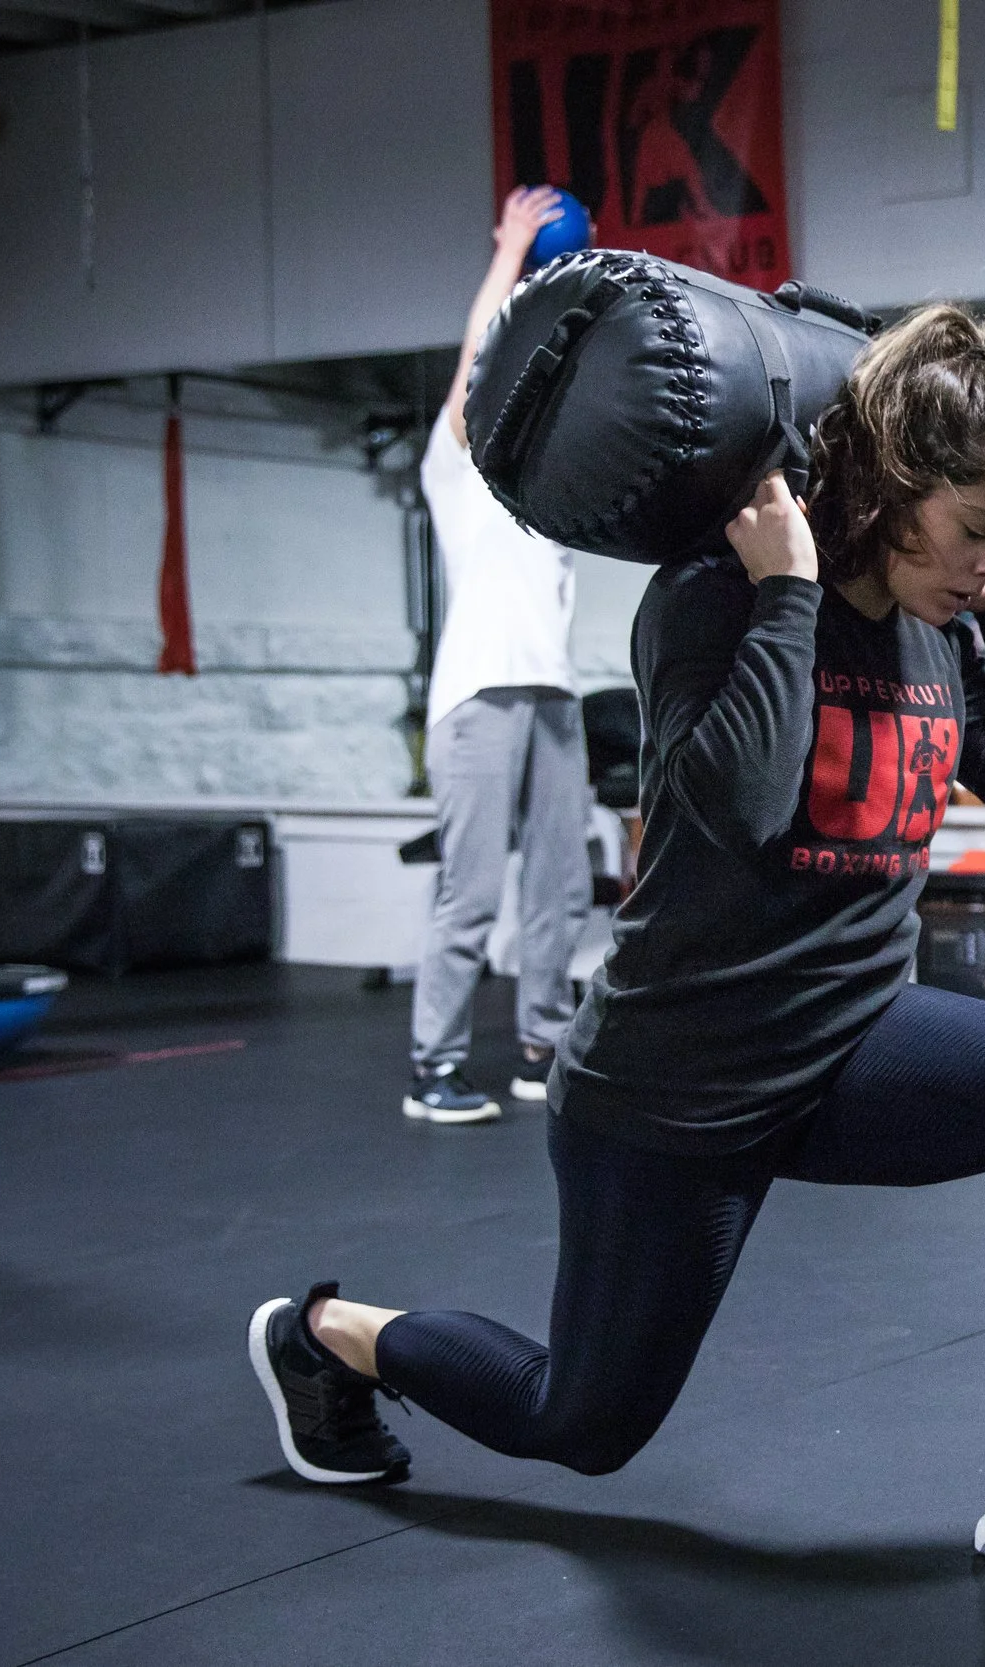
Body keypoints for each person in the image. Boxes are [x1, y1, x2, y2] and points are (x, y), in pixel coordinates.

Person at [249, 307, 985, 1590]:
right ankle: (327, 1336)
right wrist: (792, 597)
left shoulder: (944, 622)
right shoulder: (713, 599)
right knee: (578, 1424)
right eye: (980, 530)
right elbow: (743, 811)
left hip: (852, 1042)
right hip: (676, 1086)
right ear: (895, 488)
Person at [405, 185, 594, 1124]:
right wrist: (513, 254)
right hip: (477, 695)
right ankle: (432, 1067)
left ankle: (542, 1046)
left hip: (553, 696)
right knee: (470, 893)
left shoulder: (547, 501)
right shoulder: (458, 474)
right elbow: (482, 360)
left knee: (561, 887)